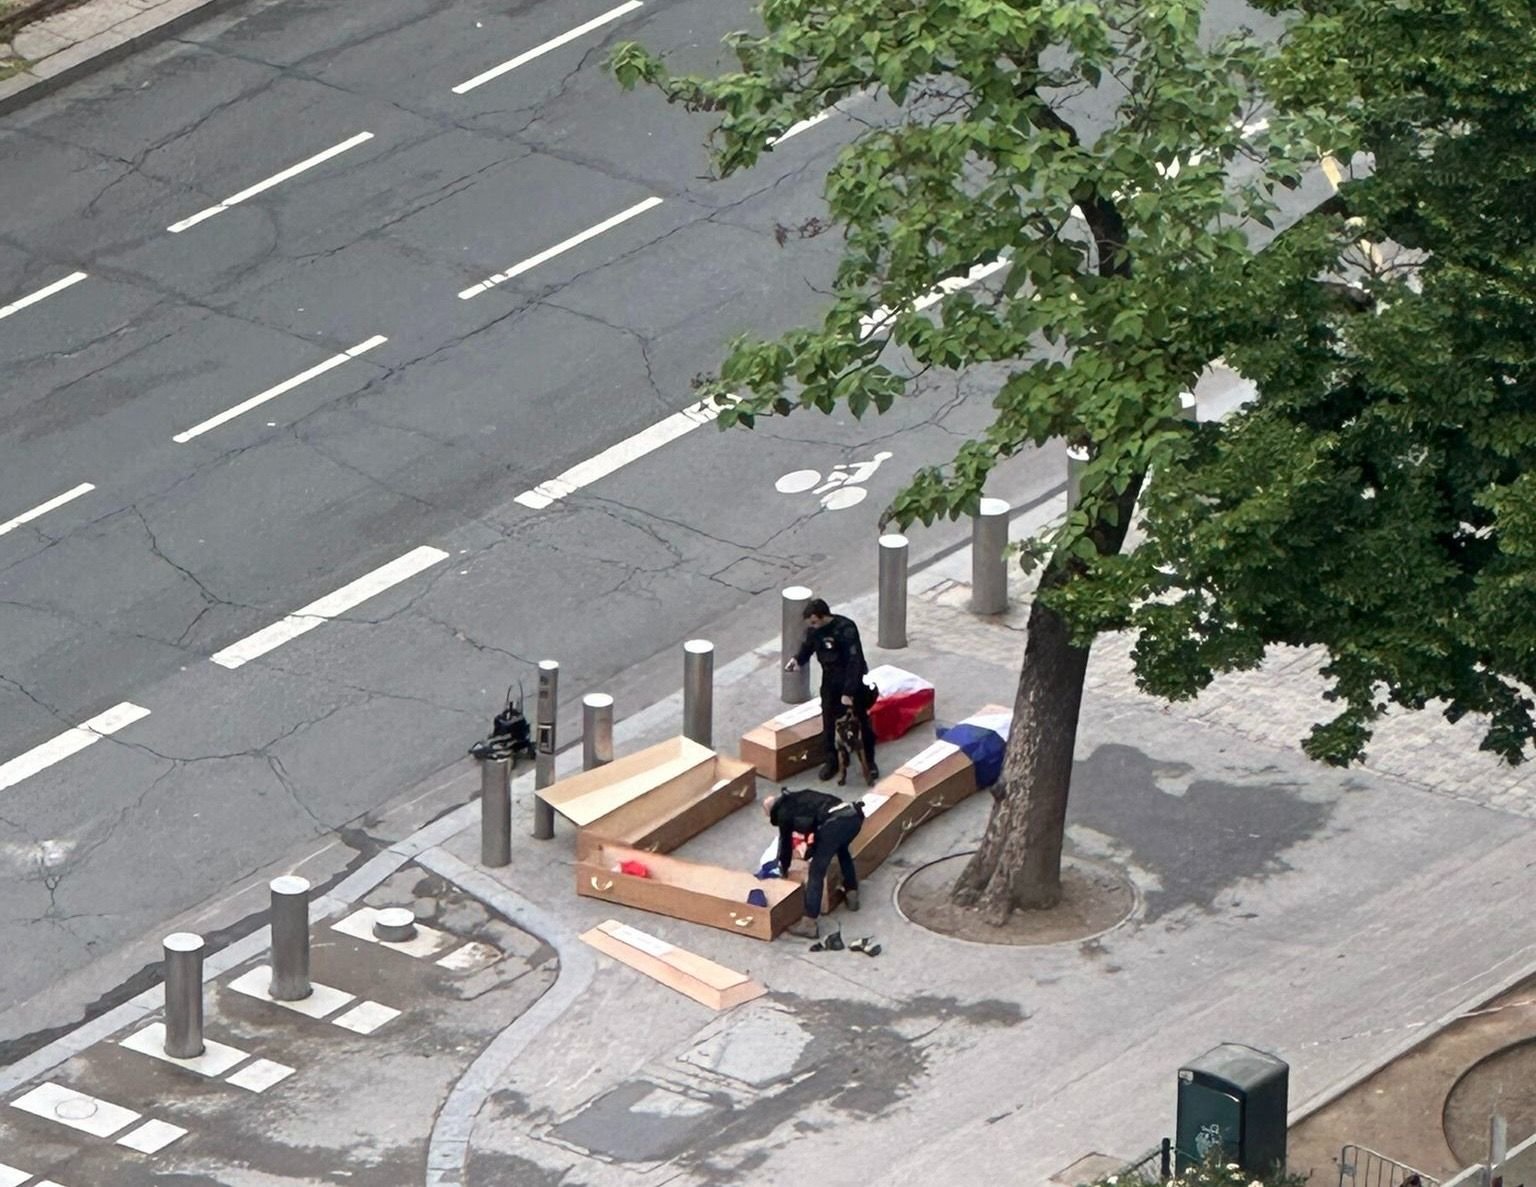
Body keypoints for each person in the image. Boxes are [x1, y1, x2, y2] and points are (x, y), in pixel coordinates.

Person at [784, 598, 878, 781]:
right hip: (830, 681)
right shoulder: (815, 631)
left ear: (823, 616)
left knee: (861, 722)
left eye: (814, 622)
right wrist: (797, 660)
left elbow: (854, 661)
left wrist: (848, 692)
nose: (813, 626)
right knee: (828, 722)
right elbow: (808, 647)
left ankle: (870, 761)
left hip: (851, 682)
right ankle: (831, 761)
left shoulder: (846, 629)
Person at [763, 789, 864, 938]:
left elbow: (785, 845)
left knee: (816, 872)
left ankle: (809, 923)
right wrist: (812, 848)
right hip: (853, 816)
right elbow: (814, 825)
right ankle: (852, 893)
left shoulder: (784, 813)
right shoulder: (801, 796)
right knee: (842, 850)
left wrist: (783, 869)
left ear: (772, 812)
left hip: (834, 824)